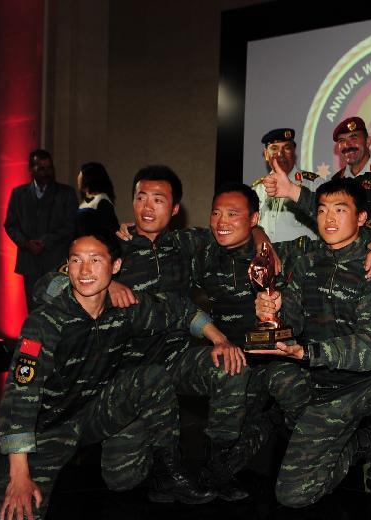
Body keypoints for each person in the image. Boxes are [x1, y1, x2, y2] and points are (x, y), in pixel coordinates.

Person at [41, 165, 252, 500]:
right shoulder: (112, 249)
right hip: (130, 376)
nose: (148, 207)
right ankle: (149, 459)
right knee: (121, 479)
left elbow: (242, 234)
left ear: (175, 209)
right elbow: (47, 286)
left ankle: (218, 467)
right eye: (141, 198)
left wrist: (263, 235)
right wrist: (101, 283)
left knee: (230, 366)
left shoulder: (189, 243)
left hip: (178, 359)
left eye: (159, 199)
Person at [0, 232, 215, 520]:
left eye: (96, 260)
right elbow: (20, 396)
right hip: (49, 429)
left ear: (116, 266)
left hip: (96, 413)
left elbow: (178, 310)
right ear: (66, 267)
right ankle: (2, 469)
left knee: (150, 384)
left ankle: (168, 472)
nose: (85, 271)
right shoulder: (45, 322)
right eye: (76, 261)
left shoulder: (125, 308)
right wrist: (19, 474)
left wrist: (220, 339)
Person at [252, 178, 371, 520]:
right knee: (292, 494)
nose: (328, 219)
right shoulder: (306, 264)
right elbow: (291, 321)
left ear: (362, 218)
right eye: (321, 210)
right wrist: (271, 310)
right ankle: (361, 445)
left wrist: (308, 352)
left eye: (340, 209)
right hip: (329, 388)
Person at [4, 149, 78, 309]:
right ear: (31, 170)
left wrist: (44, 242)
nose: (46, 173)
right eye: (41, 168)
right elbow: (10, 224)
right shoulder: (19, 194)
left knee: (56, 309)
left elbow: (71, 226)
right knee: (33, 309)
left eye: (49, 168)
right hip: (29, 262)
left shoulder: (66, 193)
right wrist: (26, 243)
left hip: (55, 261)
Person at [251, 127, 321, 242]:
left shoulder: (314, 184)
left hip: (304, 259)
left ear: (294, 153)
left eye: (287, 148)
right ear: (266, 154)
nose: (280, 154)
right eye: (274, 148)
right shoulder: (256, 189)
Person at [75, 161, 120, 236]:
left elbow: (109, 232)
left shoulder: (102, 202)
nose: (78, 178)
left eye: (81, 173)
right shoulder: (86, 202)